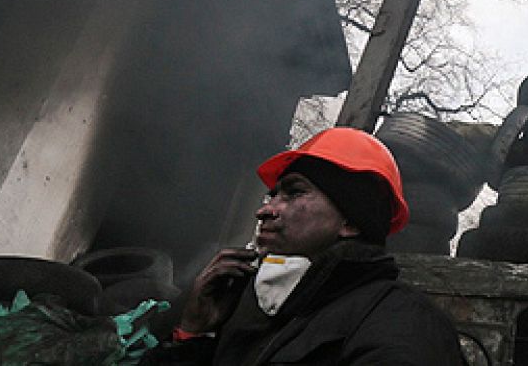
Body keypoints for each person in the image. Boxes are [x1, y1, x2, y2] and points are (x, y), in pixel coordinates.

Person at [147, 127, 466, 365]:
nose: (265, 210)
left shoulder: (402, 321)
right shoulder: (244, 304)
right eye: (272, 195)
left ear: (350, 222)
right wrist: (192, 335)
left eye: (294, 192)